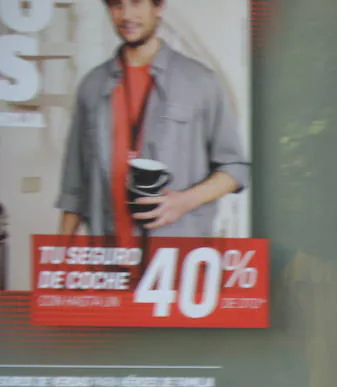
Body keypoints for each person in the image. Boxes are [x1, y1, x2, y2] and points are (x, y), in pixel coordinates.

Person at [56, 0, 249, 245]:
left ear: (158, 7)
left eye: (136, 3)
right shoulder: (91, 86)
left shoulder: (200, 81)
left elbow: (235, 168)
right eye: (116, 5)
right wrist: (56, 260)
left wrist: (183, 202)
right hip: (107, 263)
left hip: (176, 262)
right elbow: (73, 190)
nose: (126, 15)